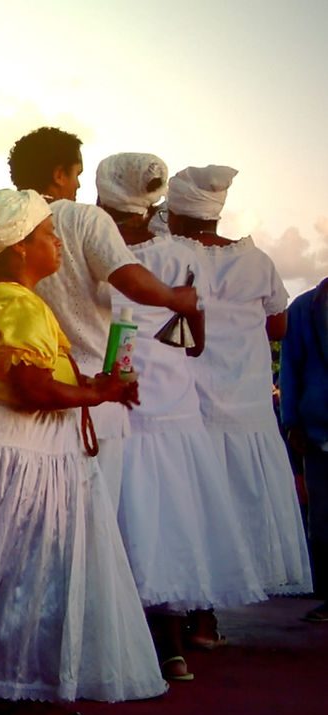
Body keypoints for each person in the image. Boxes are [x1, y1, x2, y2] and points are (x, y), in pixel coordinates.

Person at [0, 188, 165, 715]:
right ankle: (24, 693)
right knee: (27, 571)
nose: (58, 243)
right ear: (20, 248)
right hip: (16, 449)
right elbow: (32, 388)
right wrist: (99, 395)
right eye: (49, 235)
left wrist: (90, 386)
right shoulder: (21, 303)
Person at [0, 128, 203, 507]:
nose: (77, 186)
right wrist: (178, 299)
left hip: (3, 422)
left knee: (19, 537)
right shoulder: (83, 219)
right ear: (58, 173)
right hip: (88, 405)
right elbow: (132, 283)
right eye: (76, 174)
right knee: (87, 536)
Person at [93, 153, 267, 679]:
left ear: (105, 198)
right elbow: (196, 344)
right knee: (168, 519)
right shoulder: (181, 255)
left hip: (113, 395)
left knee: (118, 515)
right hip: (173, 403)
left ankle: (114, 634)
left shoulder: (98, 250)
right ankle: (174, 643)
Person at [169, 165, 313, 634]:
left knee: (191, 505)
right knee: (237, 505)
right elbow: (278, 327)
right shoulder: (258, 262)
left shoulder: (172, 256)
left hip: (189, 398)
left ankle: (194, 614)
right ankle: (211, 616)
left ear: (177, 212)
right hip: (245, 399)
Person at [280, 275, 328, 622]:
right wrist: (291, 419)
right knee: (323, 519)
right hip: (316, 427)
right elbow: (290, 368)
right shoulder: (302, 308)